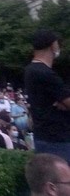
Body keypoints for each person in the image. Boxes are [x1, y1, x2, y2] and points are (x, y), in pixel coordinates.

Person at [24, 30, 70, 163]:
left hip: (43, 136)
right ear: (53, 45)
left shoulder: (30, 70)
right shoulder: (46, 74)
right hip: (58, 139)